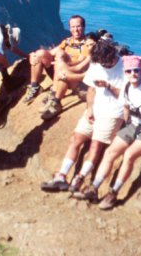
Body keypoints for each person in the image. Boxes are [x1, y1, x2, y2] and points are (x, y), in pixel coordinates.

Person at [75, 54, 141, 210]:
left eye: (136, 70)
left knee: (128, 156)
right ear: (125, 72)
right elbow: (126, 107)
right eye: (129, 71)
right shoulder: (126, 87)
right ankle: (93, 188)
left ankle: (113, 193)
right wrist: (124, 128)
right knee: (110, 153)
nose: (133, 74)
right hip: (132, 126)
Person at [40, 37, 126, 194]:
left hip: (113, 112)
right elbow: (92, 89)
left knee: (96, 145)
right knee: (76, 139)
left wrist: (108, 85)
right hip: (96, 108)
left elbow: (128, 97)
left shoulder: (126, 68)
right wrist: (90, 108)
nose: (104, 66)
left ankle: (80, 177)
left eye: (106, 64)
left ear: (113, 56)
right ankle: (61, 176)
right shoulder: (96, 62)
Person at [25, 15, 95, 120]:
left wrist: (62, 65)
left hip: (76, 79)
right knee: (41, 53)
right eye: (72, 27)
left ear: (84, 27)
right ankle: (35, 86)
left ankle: (55, 97)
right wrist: (33, 55)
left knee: (60, 60)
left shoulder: (88, 44)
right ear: (70, 28)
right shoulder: (67, 41)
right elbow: (50, 53)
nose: (75, 30)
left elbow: (81, 66)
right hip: (62, 72)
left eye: (78, 26)